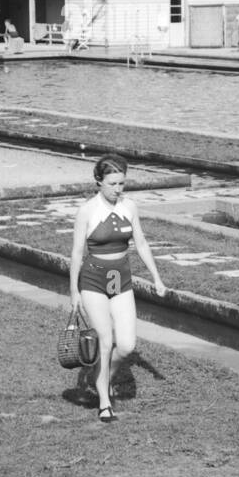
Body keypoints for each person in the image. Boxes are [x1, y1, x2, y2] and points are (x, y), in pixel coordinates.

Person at [69, 154, 166, 423]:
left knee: (126, 346)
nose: (118, 189)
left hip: (121, 279)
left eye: (122, 183)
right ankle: (104, 399)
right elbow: (77, 253)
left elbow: (142, 244)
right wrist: (74, 291)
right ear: (98, 182)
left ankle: (104, 379)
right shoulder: (87, 211)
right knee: (105, 340)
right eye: (112, 184)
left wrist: (157, 278)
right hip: (93, 280)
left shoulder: (130, 207)